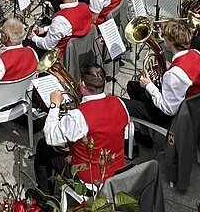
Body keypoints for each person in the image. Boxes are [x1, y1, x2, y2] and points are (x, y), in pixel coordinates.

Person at [34, 63, 130, 197]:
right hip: (117, 173)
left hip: (89, 182)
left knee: (43, 145)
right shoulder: (119, 103)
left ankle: (42, 199)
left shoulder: (79, 116)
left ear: (83, 85)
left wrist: (54, 105)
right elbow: (123, 135)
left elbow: (51, 137)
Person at [125, 19, 200, 131]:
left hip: (174, 118)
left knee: (125, 104)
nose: (162, 37)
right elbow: (185, 75)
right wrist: (166, 66)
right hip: (194, 107)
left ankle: (143, 135)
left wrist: (149, 85)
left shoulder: (173, 74)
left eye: (164, 36)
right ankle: (144, 132)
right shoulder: (197, 54)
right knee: (133, 87)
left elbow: (168, 109)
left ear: (170, 41)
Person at [28, 0, 92, 56]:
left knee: (27, 44)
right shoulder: (85, 7)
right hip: (80, 48)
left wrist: (33, 37)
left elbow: (47, 45)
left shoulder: (60, 19)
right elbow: (65, 28)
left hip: (61, 55)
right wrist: (45, 29)